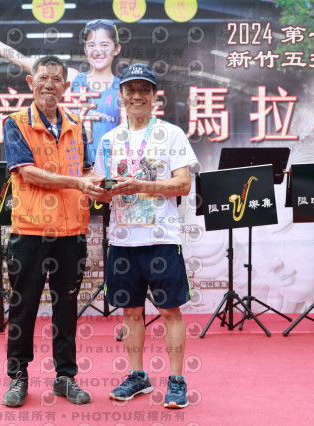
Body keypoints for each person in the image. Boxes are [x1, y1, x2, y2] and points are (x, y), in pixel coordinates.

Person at [91, 64, 199, 409]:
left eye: (144, 90)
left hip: (161, 239)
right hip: (122, 240)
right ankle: (137, 376)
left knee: (170, 312)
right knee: (130, 313)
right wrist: (99, 191)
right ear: (121, 95)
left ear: (154, 96)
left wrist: (142, 185)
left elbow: (183, 184)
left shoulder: (171, 134)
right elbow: (99, 186)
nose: (137, 96)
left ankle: (176, 380)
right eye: (130, 90)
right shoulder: (108, 140)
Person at [1, 55, 104, 408]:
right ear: (31, 83)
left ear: (66, 86)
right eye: (42, 78)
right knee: (23, 306)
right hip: (30, 231)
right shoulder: (15, 123)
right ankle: (18, 376)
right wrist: (78, 182)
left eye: (56, 79)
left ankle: (65, 377)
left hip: (71, 231)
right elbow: (28, 172)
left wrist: (107, 183)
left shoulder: (77, 124)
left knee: (66, 307)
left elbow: (87, 172)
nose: (49, 84)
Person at [0, 14, 121, 156]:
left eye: (104, 45)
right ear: (85, 49)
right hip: (70, 168)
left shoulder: (123, 89)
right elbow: (21, 60)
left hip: (105, 170)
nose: (97, 51)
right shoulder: (72, 77)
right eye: (91, 45)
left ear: (116, 49)